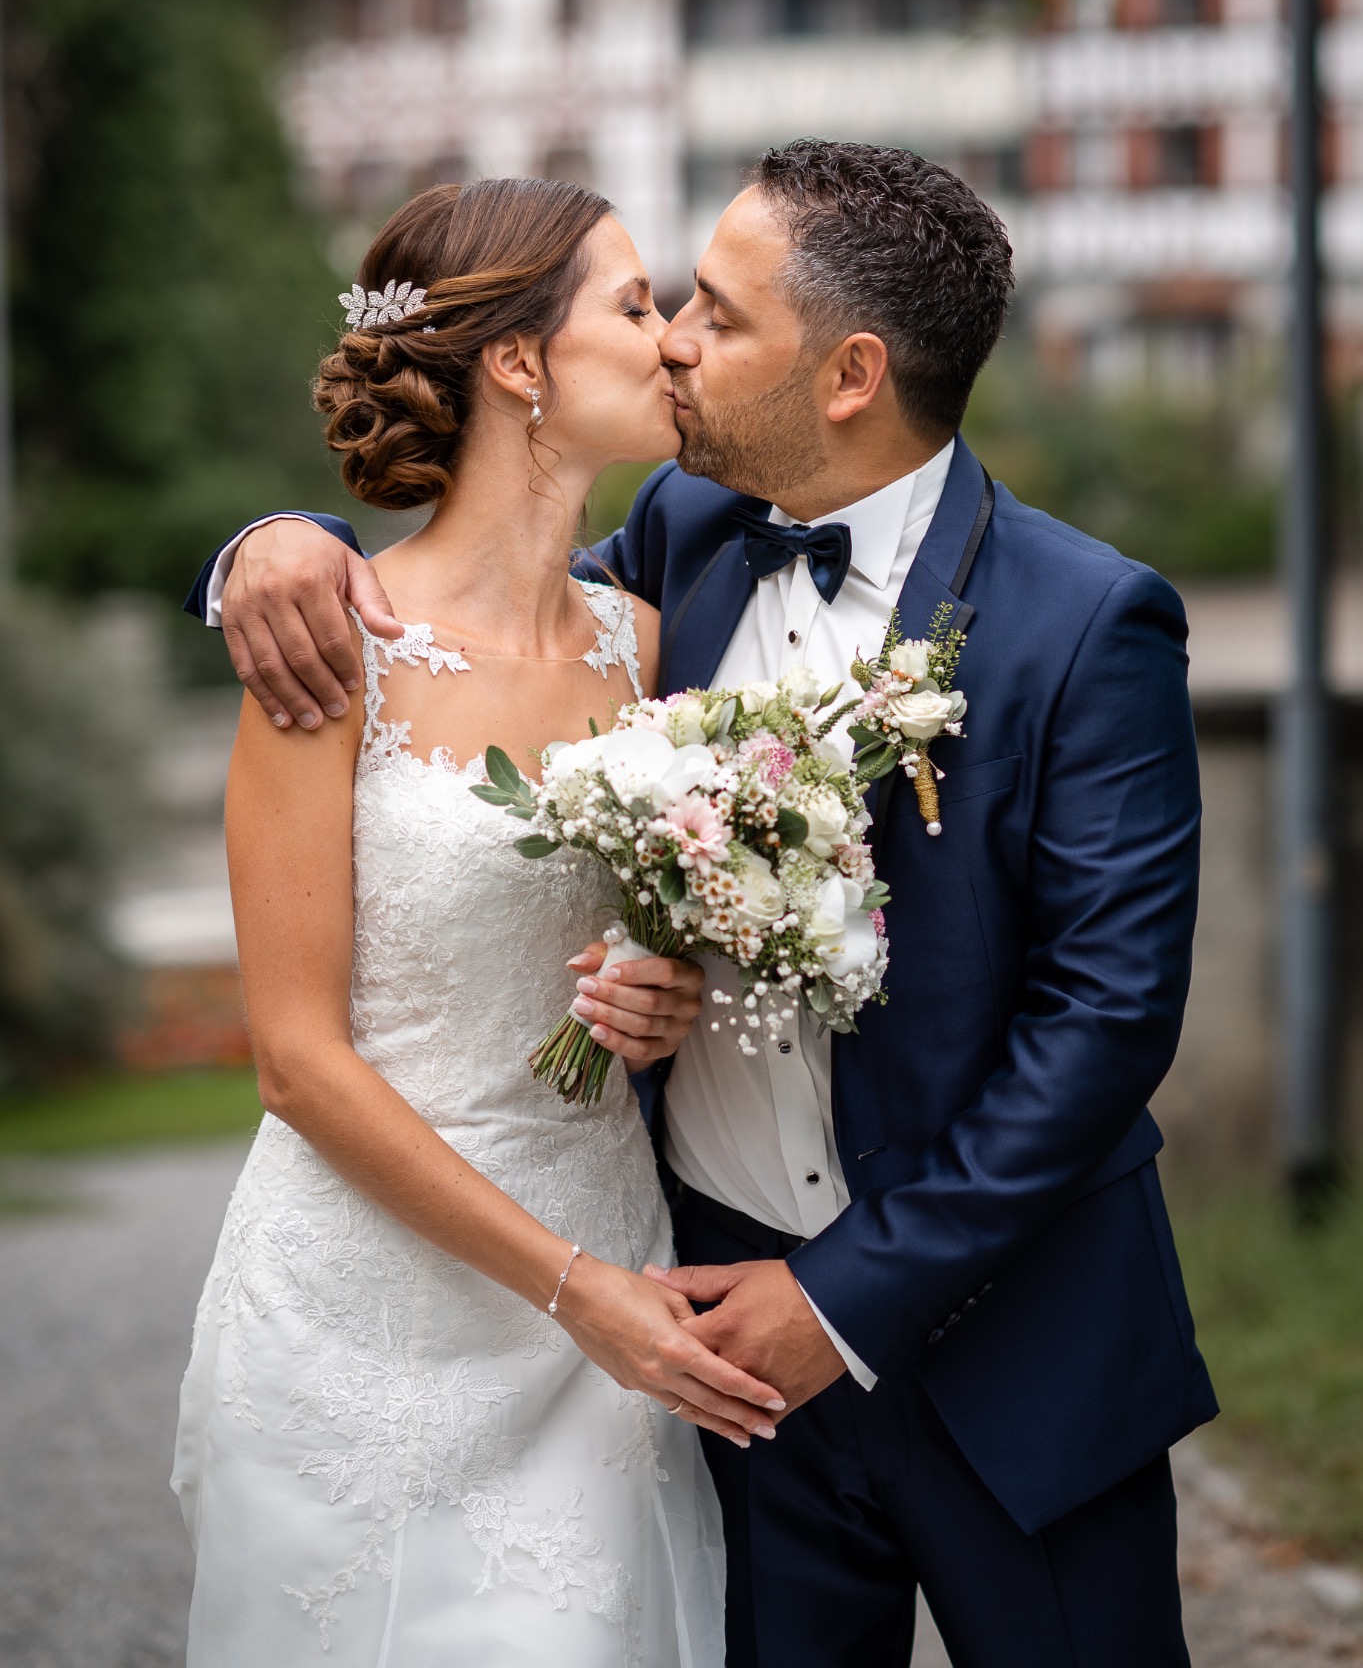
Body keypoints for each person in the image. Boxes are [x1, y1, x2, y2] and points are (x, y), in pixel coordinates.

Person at [189, 141, 1218, 1668]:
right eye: (657, 303)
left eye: (717, 315)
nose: (675, 338)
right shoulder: (686, 547)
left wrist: (840, 1302)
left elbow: (1106, 1025)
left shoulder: (1089, 623)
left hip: (1013, 1352)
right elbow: (460, 604)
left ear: (851, 371)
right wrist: (273, 548)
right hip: (707, 1338)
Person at [172, 176, 779, 1668]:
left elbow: (663, 904)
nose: (673, 341)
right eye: (636, 306)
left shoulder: (649, 646)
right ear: (517, 363)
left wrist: (666, 984)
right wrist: (576, 1294)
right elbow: (298, 1065)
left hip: (608, 1277)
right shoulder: (332, 656)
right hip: (367, 1310)